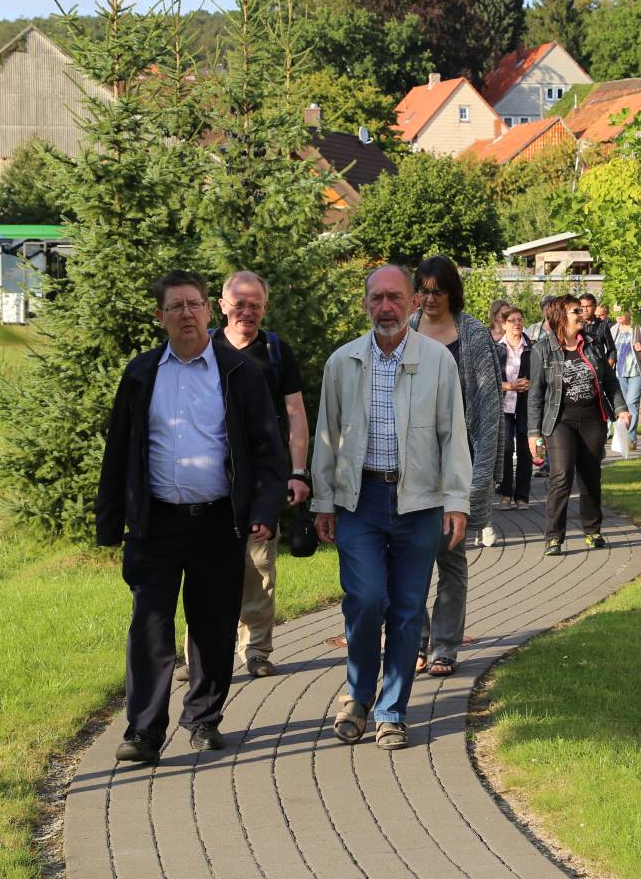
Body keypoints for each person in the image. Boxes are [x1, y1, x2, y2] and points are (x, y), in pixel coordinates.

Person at [96, 270, 288, 766]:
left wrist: (264, 508)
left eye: (195, 304)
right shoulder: (141, 374)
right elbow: (119, 451)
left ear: (209, 310)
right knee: (150, 626)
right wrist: (110, 520)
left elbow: (269, 447)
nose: (187, 314)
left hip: (217, 522)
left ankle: (203, 720)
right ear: (161, 316)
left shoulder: (237, 372)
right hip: (154, 523)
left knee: (213, 625)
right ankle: (142, 731)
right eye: (176, 306)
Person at [311, 265, 471, 750]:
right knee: (365, 600)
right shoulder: (342, 362)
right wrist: (323, 501)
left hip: (419, 502)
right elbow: (326, 436)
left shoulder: (438, 360)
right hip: (359, 501)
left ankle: (391, 711)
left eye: (395, 298)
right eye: (377, 298)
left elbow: (453, 435)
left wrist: (456, 500)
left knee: (405, 609)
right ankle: (358, 696)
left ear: (412, 303)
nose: (386, 307)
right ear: (365, 304)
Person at [408, 256, 503, 677]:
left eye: (438, 291)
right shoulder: (404, 330)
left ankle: (444, 646)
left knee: (450, 556)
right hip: (409, 463)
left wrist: (479, 473)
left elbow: (487, 406)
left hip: (455, 463)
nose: (430, 299)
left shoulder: (473, 334)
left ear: (452, 293)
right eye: (423, 290)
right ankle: (416, 640)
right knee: (409, 558)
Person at [214, 270, 311, 678]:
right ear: (222, 306)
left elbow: (295, 414)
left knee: (258, 567)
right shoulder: (203, 348)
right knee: (210, 569)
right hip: (212, 480)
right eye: (239, 304)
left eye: (255, 305)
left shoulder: (275, 351)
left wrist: (299, 472)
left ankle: (256, 650)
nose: (246, 312)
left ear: (265, 308)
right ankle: (205, 650)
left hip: (261, 480)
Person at [528, 295, 630, 555]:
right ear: (561, 316)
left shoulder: (593, 345)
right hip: (559, 421)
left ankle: (593, 531)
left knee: (590, 476)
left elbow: (610, 382)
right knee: (561, 476)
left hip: (592, 419)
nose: (582, 314)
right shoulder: (542, 349)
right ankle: (553, 537)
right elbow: (536, 395)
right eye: (576, 311)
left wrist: (621, 409)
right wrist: (533, 433)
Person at [496, 305, 533, 509]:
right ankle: (506, 494)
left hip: (526, 404)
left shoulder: (532, 347)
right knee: (506, 449)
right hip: (504, 405)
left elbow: (540, 376)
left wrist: (531, 383)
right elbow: (489, 379)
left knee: (526, 450)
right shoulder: (496, 348)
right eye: (512, 320)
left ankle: (522, 496)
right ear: (504, 324)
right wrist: (509, 386)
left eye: (520, 319)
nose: (517, 323)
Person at [610, 306, 641, 439]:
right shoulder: (613, 329)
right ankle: (623, 436)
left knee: (631, 402)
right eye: (616, 312)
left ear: (629, 313)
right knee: (623, 406)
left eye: (622, 311)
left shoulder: (638, 328)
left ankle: (631, 438)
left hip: (636, 372)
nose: (619, 314)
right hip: (620, 373)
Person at [578, 291, 615, 370]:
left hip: (599, 369)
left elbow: (611, 350)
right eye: (582, 306)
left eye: (588, 306)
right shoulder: (576, 325)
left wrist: (608, 369)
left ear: (594, 307)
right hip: (580, 370)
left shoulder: (603, 325)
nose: (585, 310)